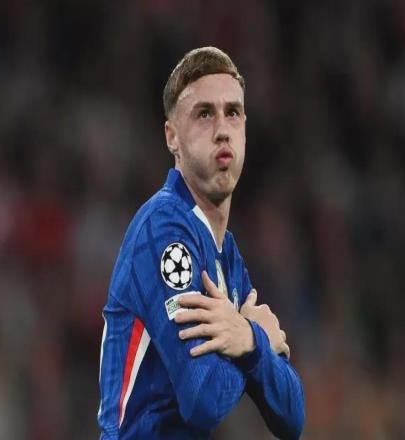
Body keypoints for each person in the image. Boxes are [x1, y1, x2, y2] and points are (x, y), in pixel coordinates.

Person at [97, 46, 305, 439]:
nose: (222, 129)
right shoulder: (162, 230)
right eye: (204, 114)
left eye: (233, 113)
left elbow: (292, 418)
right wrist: (255, 339)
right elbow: (203, 401)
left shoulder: (227, 254)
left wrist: (247, 339)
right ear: (172, 137)